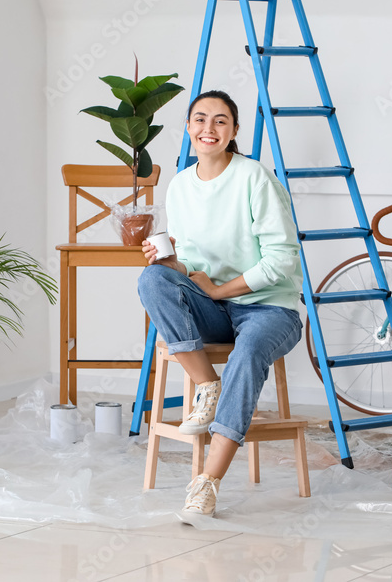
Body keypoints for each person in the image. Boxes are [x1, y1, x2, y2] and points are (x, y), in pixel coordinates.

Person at [137, 89, 304, 519]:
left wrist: (219, 291)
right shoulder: (179, 186)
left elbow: (283, 261)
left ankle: (206, 483)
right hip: (216, 311)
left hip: (270, 310)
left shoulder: (254, 177)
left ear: (233, 131)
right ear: (188, 127)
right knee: (153, 278)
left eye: (220, 121)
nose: (208, 129)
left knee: (248, 353)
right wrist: (170, 262)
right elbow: (193, 263)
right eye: (200, 119)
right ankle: (209, 386)